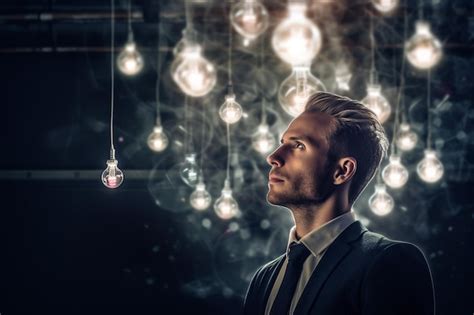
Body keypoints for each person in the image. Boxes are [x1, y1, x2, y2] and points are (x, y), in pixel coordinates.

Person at [243, 92, 435, 315]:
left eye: (299, 146)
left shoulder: (390, 262)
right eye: (282, 143)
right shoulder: (264, 279)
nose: (274, 157)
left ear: (342, 171)